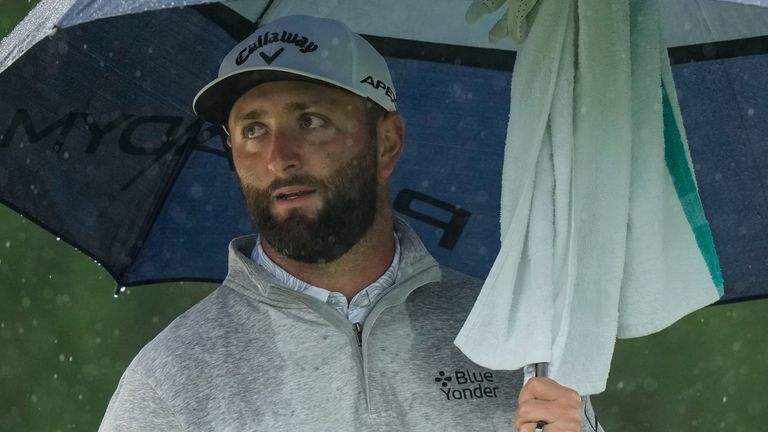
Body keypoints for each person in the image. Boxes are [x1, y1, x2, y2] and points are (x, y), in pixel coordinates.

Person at [99, 15, 602, 432]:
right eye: (253, 130)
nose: (279, 158)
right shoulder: (172, 381)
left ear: (386, 142)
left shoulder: (510, 337)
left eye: (310, 121)